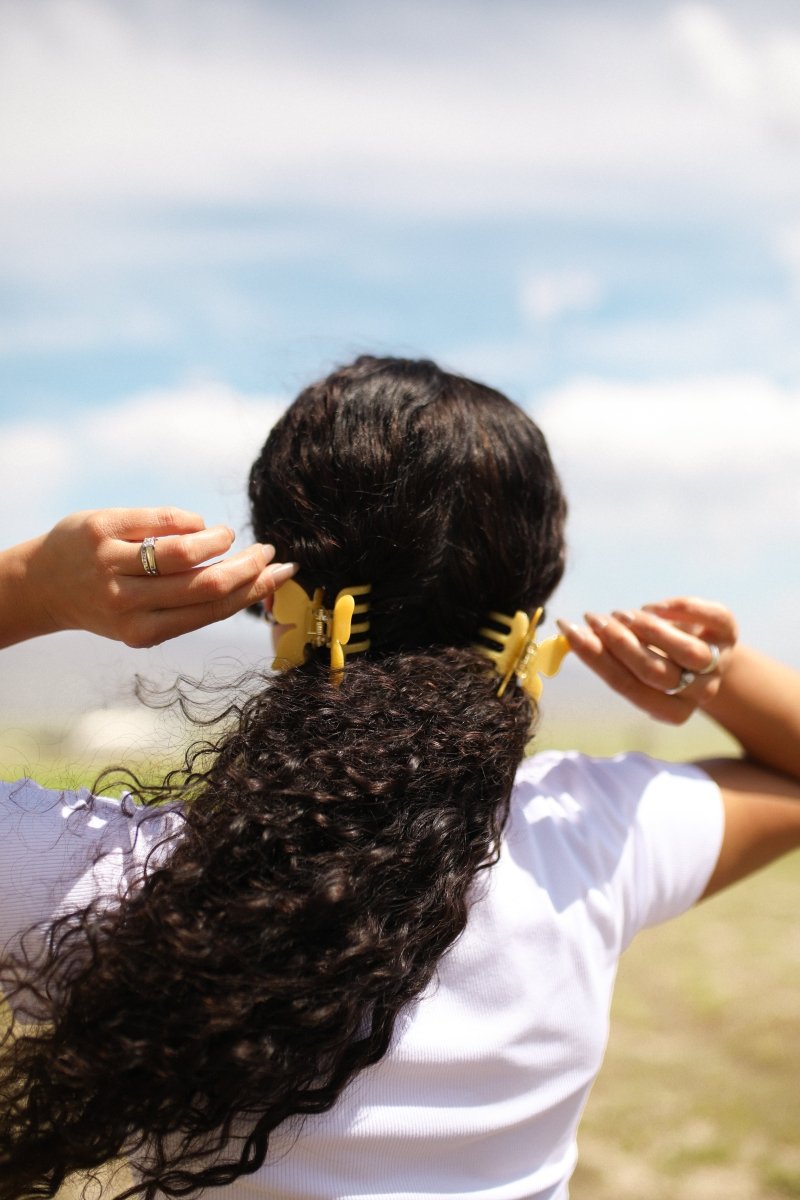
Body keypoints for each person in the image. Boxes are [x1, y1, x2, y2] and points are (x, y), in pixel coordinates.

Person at [0, 355, 798, 1200]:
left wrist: (32, 589)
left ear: (277, 599)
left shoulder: (100, 876)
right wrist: (720, 671)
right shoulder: (589, 840)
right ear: (529, 625)